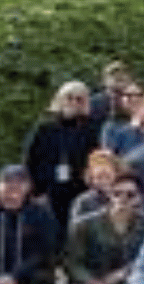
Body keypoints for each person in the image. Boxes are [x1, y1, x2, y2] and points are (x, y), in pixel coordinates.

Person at [61, 174, 144, 284]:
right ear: (109, 194)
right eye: (117, 193)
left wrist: (124, 272)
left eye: (130, 194)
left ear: (139, 198)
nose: (123, 198)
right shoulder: (83, 224)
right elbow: (71, 262)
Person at [22, 80, 102, 229]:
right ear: (60, 99)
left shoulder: (92, 128)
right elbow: (30, 160)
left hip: (81, 192)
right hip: (48, 193)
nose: (73, 102)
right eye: (69, 97)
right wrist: (34, 192)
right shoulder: (44, 127)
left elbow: (98, 159)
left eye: (79, 99)